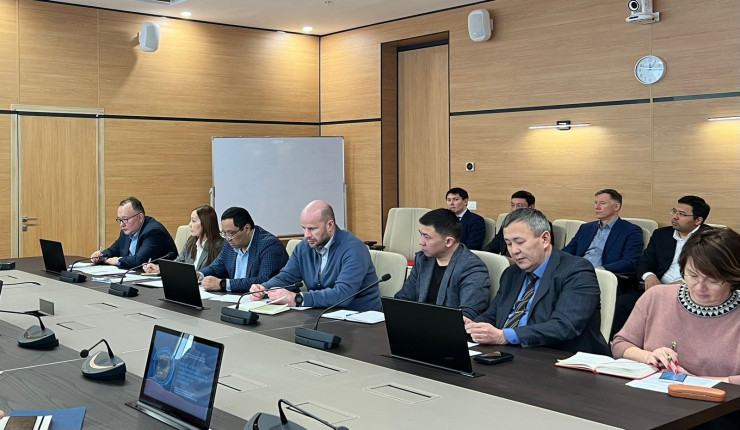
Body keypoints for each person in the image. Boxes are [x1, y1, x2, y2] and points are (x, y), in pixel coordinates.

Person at [465, 208, 608, 354]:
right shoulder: (512, 273)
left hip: (555, 356)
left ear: (545, 239)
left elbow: (564, 326)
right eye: (508, 243)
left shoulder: (576, 271)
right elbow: (493, 314)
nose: (513, 251)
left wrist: (505, 336)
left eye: (519, 242)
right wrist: (472, 326)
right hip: (508, 352)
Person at [612, 227, 740, 384]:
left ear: (734, 277)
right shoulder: (657, 296)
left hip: (722, 396)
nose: (700, 287)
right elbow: (620, 344)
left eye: (713, 280)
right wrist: (648, 356)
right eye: (692, 275)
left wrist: (696, 381)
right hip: (655, 391)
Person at [250, 200, 381, 311]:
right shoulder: (304, 247)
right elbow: (286, 277)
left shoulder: (354, 249)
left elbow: (343, 294)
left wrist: (297, 299)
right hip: (323, 315)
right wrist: (264, 288)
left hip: (360, 319)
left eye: (312, 229)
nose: (306, 235)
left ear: (330, 225)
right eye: (304, 228)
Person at [394, 208, 490, 319]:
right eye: (421, 235)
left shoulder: (472, 268)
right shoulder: (422, 259)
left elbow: (468, 314)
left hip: (447, 327)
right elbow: (403, 298)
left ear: (448, 241)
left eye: (427, 237)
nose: (421, 242)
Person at [198, 207, 288, 292]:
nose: (228, 238)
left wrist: (223, 284)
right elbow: (216, 267)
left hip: (264, 299)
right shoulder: (229, 243)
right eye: (224, 233)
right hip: (234, 297)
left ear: (247, 228)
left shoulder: (270, 245)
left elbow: (264, 281)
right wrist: (200, 274)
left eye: (231, 233)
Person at [637, 196, 712, 290]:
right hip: (657, 287)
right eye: (674, 211)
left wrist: (686, 283)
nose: (675, 217)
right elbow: (645, 261)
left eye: (682, 214)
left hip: (693, 290)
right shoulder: (661, 234)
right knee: (625, 299)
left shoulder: (712, 238)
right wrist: (649, 276)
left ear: (698, 220)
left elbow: (714, 271)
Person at [562, 189, 643, 273]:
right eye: (596, 203)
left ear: (616, 207)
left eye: (602, 203)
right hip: (576, 271)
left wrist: (602, 269)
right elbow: (567, 252)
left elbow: (629, 261)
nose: (597, 207)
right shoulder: (586, 228)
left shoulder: (631, 231)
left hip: (603, 274)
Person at [90, 197, 177, 269]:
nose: (121, 224)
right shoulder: (127, 231)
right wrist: (101, 256)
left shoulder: (154, 232)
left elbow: (139, 261)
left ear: (140, 218)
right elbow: (113, 250)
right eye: (119, 220)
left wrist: (117, 260)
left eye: (125, 219)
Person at [143, 205, 224, 274]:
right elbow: (178, 263)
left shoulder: (220, 245)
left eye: (193, 221)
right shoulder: (191, 241)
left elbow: (217, 272)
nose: (189, 225)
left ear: (206, 223)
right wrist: (159, 269)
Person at [485, 190, 553, 264]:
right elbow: (492, 247)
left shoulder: (541, 224)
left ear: (531, 207)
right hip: (504, 263)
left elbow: (544, 254)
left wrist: (514, 262)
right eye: (512, 205)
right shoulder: (508, 223)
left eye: (519, 206)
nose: (514, 209)